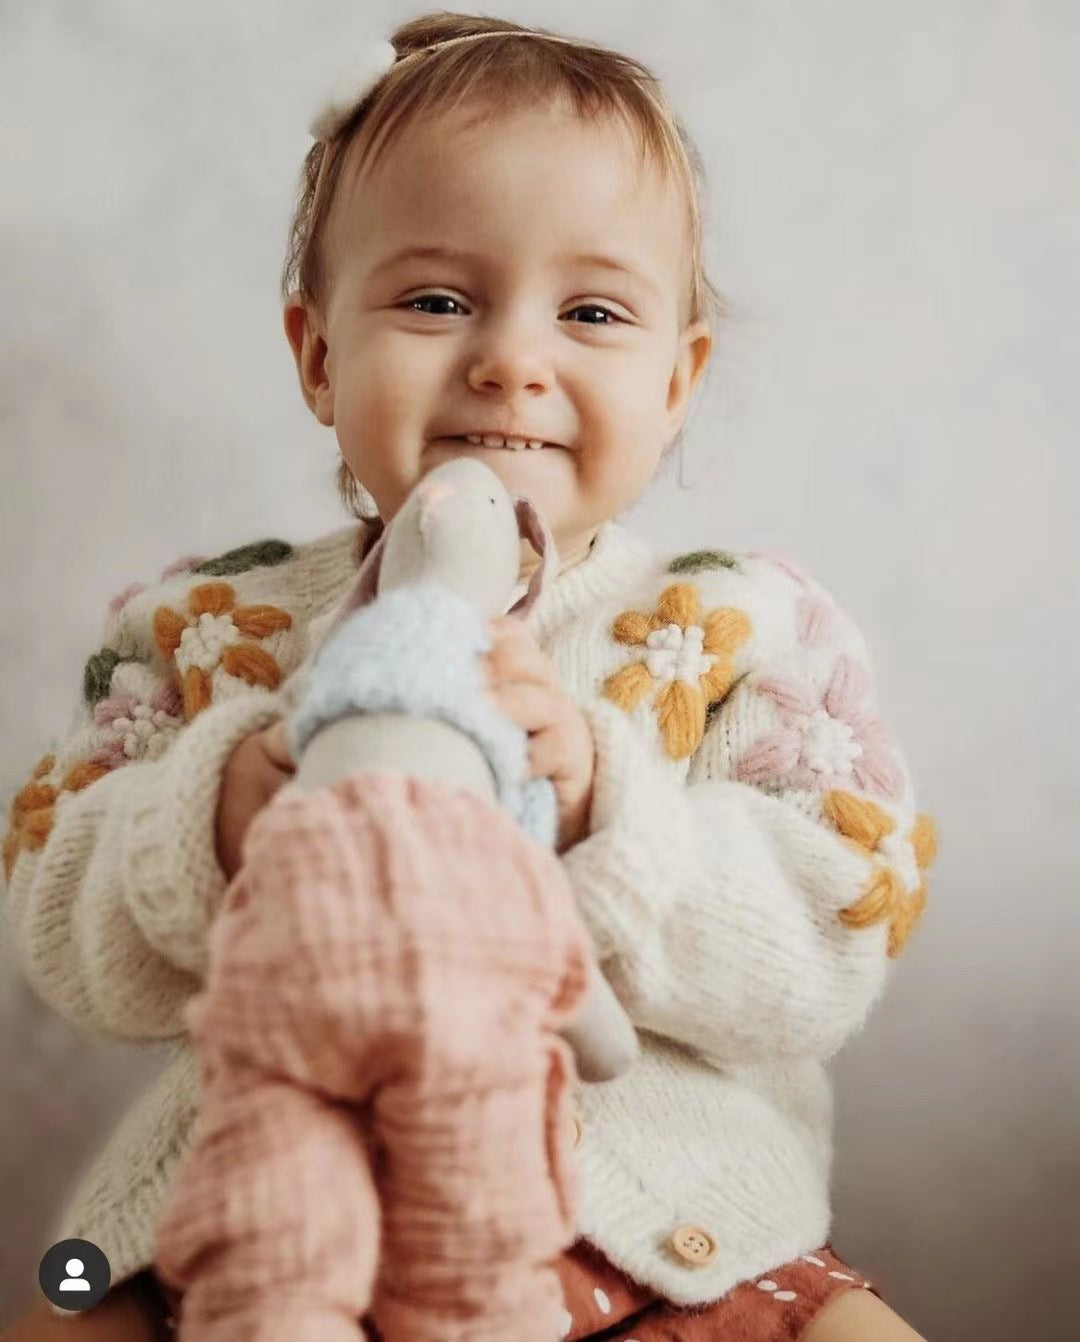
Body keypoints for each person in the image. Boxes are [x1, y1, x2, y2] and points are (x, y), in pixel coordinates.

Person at [1, 11, 939, 1341]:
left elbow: (834, 933)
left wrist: (609, 809)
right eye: (437, 299)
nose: (513, 357)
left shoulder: (742, 624)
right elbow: (53, 912)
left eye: (593, 310)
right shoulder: (210, 626)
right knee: (59, 1311)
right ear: (320, 355)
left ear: (678, 379)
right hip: (262, 1221)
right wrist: (213, 821)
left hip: (669, 1236)